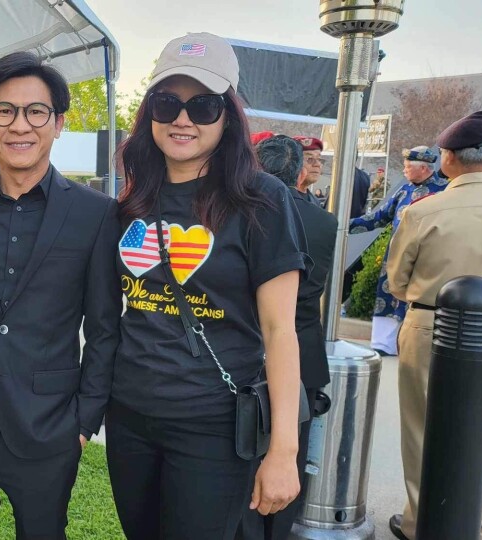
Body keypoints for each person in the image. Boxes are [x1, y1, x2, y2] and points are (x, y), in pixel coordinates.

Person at [109, 33, 307, 539]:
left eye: (202, 105)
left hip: (211, 425)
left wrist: (284, 450)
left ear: (228, 114)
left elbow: (281, 330)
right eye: (167, 102)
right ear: (148, 110)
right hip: (130, 417)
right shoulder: (132, 200)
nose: (182, 118)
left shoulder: (261, 200)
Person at [0, 51, 121, 540]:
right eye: (4, 111)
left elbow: (105, 328)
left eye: (36, 112)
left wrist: (85, 421)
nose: (21, 125)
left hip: (49, 426)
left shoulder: (96, 213)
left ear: (58, 123)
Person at [386, 111, 482, 540]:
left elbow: (397, 282)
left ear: (449, 158)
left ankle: (424, 523)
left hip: (429, 323)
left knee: (423, 429)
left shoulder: (424, 212)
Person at [244, 135, 336, 539]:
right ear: (299, 171)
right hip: (305, 356)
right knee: (288, 462)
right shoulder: (324, 221)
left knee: (245, 466)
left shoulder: (244, 212)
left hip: (250, 353)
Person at [348, 145, 446, 356]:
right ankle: (384, 344)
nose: (404, 170)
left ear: (423, 168)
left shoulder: (444, 191)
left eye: (407, 166)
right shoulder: (405, 190)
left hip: (429, 255)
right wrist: (342, 225)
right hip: (397, 254)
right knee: (389, 292)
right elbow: (378, 217)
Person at [293, 137, 323, 204]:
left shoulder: (316, 202)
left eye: (319, 159)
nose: (317, 164)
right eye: (310, 159)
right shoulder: (280, 199)